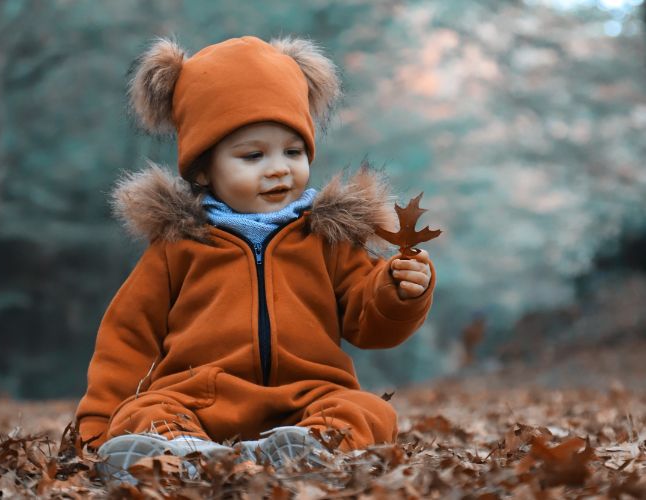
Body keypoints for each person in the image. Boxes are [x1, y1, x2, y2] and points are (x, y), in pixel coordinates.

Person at [75, 34, 436, 482]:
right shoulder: (179, 246)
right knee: (144, 410)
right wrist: (98, 423)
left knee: (367, 411)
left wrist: (397, 292)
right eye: (252, 155)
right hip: (198, 400)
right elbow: (128, 337)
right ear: (204, 169)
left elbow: (368, 322)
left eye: (293, 151)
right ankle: (183, 457)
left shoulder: (328, 238)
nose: (279, 168)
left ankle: (301, 453)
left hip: (306, 398)